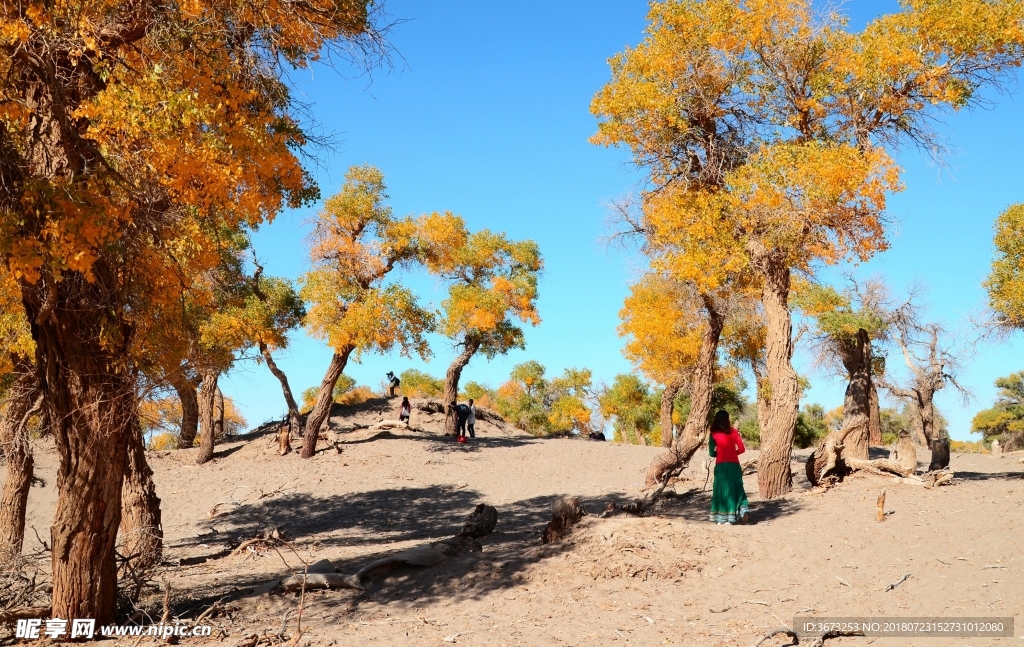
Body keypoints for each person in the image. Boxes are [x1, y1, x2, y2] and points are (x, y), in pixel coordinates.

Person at [708, 410, 750, 524]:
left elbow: (711, 453)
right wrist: (732, 453)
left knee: (721, 489)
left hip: (721, 466)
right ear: (727, 419)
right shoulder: (734, 431)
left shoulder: (713, 433)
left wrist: (721, 453)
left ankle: (722, 519)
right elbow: (741, 449)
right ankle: (740, 510)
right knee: (736, 488)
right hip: (734, 466)